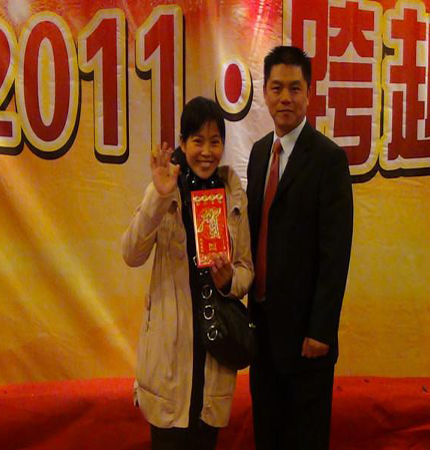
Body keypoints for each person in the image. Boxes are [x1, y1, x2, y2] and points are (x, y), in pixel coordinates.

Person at [122, 97, 253, 450]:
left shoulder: (232, 195)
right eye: (198, 141)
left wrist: (229, 282)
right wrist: (158, 196)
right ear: (182, 142)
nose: (207, 151)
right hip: (170, 355)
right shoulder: (167, 190)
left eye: (215, 141)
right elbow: (131, 253)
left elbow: (246, 270)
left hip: (214, 353)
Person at [246, 45, 354, 450]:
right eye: (277, 88)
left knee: (305, 440)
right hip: (262, 332)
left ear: (309, 94)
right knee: (267, 436)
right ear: (265, 93)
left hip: (308, 339)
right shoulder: (259, 153)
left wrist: (321, 329)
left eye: (294, 88)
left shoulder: (328, 160)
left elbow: (335, 254)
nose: (285, 98)